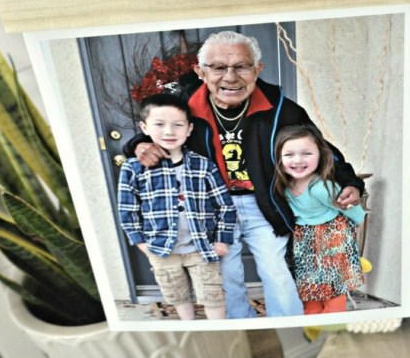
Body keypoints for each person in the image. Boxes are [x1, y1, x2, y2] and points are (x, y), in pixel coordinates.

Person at [127, 30, 364, 318]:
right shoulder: (184, 107)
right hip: (213, 209)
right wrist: (138, 145)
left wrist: (350, 182)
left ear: (257, 69)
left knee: (276, 272)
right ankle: (242, 326)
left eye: (241, 66)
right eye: (218, 67)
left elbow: (321, 149)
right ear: (201, 72)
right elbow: (157, 131)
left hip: (262, 203)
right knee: (226, 277)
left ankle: (287, 327)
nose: (230, 77)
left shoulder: (280, 109)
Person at [117, 93, 236, 320]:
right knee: (177, 295)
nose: (169, 132)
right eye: (159, 124)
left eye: (178, 125)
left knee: (213, 295)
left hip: (201, 248)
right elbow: (127, 209)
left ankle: (218, 329)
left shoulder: (203, 165)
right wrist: (140, 243)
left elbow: (224, 206)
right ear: (144, 127)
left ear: (189, 129)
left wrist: (222, 239)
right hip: (161, 249)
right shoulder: (133, 168)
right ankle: (189, 324)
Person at [274, 124, 366, 314]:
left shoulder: (322, 188)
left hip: (332, 240)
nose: (298, 160)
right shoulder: (283, 186)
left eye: (307, 153)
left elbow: (355, 212)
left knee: (333, 288)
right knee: (309, 288)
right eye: (289, 155)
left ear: (320, 155)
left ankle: (332, 322)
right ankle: (312, 320)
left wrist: (352, 231)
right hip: (306, 241)